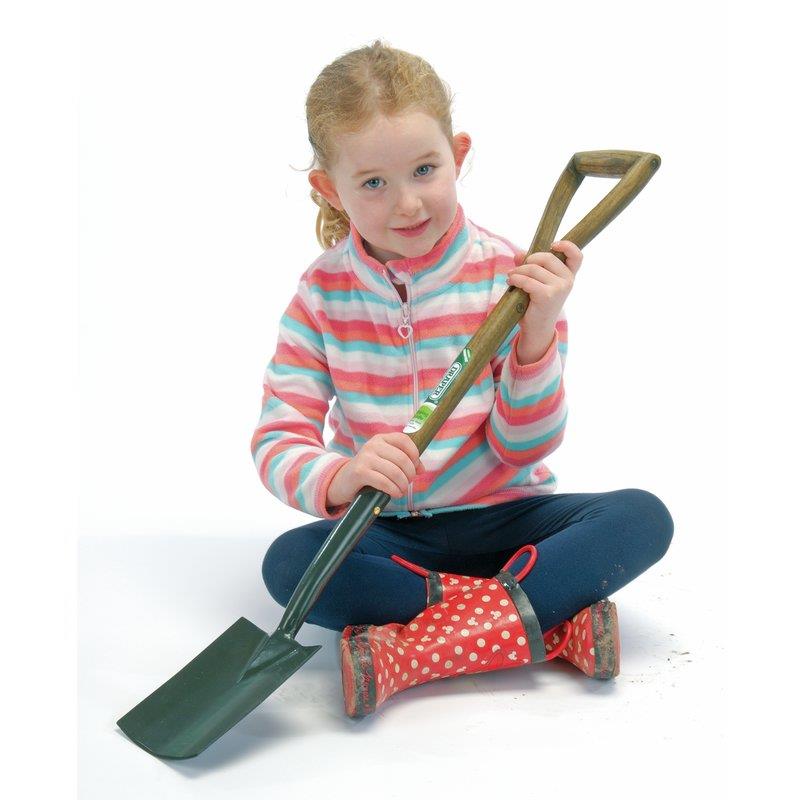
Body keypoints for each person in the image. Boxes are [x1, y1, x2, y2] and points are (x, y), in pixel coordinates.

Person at [252, 40, 673, 717]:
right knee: (287, 565)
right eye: (373, 183)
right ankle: (546, 620)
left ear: (459, 155)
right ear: (329, 188)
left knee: (640, 517)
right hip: (390, 534)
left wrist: (535, 336)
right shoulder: (322, 296)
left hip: (509, 521)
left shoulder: (512, 279)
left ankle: (410, 651)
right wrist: (343, 474)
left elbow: (524, 449)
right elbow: (278, 438)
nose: (408, 204)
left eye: (425, 170)